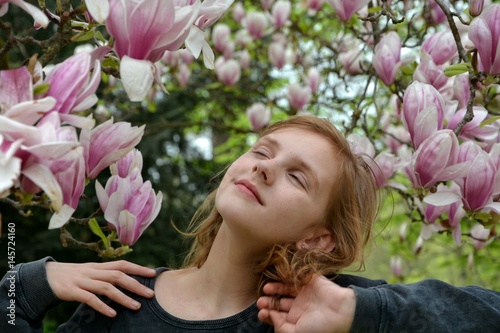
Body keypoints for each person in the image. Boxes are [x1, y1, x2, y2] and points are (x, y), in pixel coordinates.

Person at [1, 116, 499, 332]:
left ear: (317, 236)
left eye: (297, 178)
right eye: (262, 151)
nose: (263, 167)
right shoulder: (120, 304)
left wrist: (366, 314)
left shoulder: (317, 319)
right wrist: (21, 288)